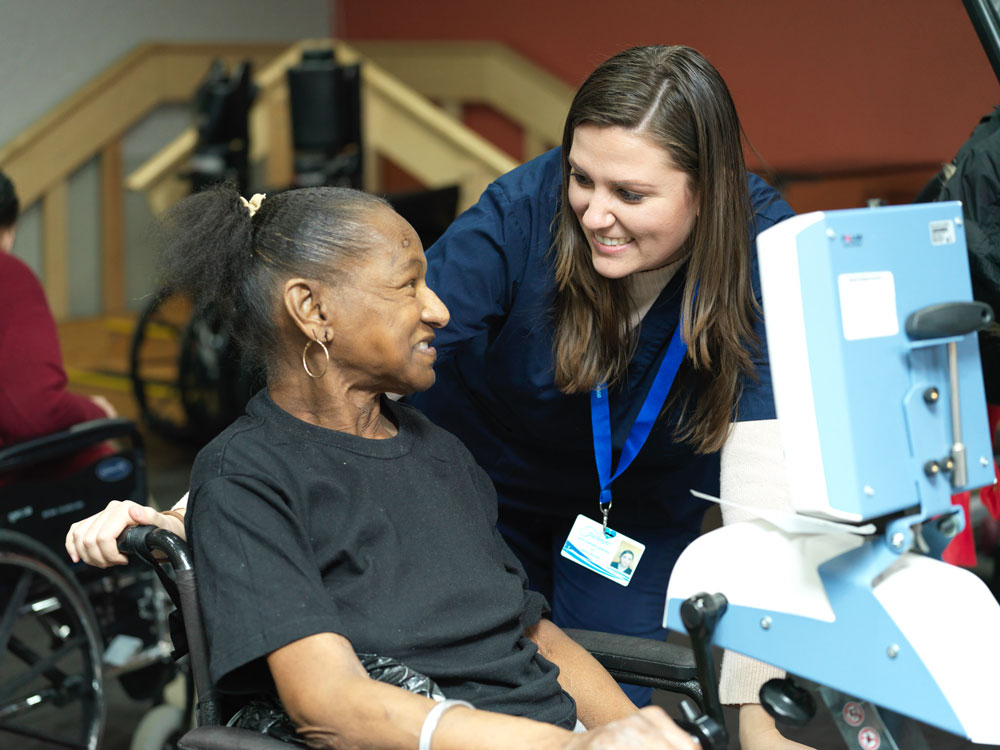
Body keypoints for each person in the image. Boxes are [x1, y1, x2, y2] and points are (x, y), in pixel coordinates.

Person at [68, 46, 809, 748]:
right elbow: (356, 362)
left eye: (631, 193)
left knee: (554, 661)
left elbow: (762, 504)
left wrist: (753, 722)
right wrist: (184, 513)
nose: (592, 212)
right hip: (489, 484)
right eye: (582, 178)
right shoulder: (525, 213)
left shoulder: (766, 249)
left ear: (707, 190)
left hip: (626, 510)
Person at [75, 183, 699, 749]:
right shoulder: (248, 477)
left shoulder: (442, 452)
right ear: (312, 309)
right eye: (408, 285)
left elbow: (532, 636)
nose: (439, 311)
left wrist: (628, 735)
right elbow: (330, 707)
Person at [0, 170, 116, 460]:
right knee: (111, 457)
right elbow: (36, 411)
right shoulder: (9, 275)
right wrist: (97, 411)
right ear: (9, 228)